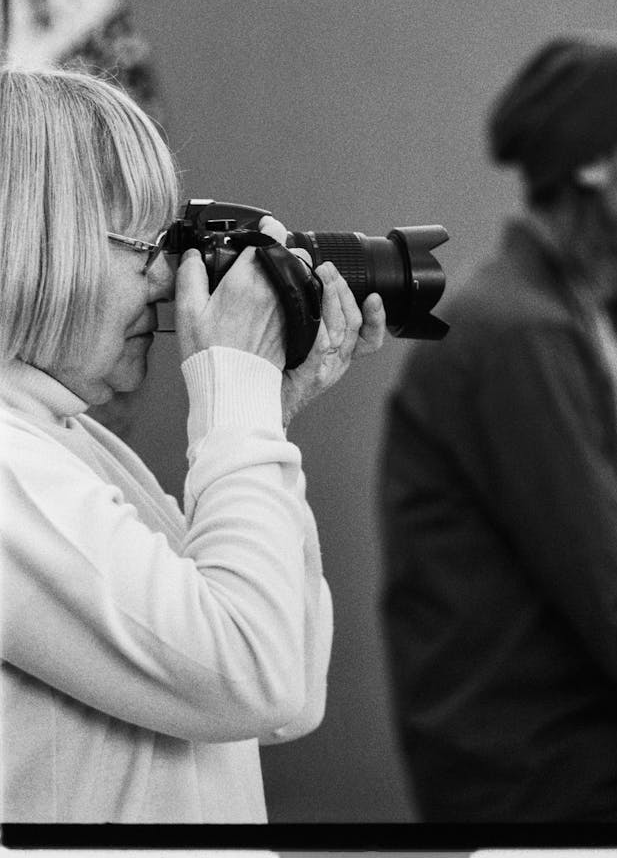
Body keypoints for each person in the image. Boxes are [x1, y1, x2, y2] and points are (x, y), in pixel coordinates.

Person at [0, 66, 386, 823]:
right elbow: (254, 670)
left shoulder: (68, 443)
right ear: (39, 246)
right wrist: (233, 394)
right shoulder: (12, 470)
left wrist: (262, 412)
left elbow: (289, 692)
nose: (170, 279)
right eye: (144, 243)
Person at [378, 33, 617, 828]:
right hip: (567, 792)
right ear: (592, 162)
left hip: (606, 766)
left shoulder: (560, 317)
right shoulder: (520, 334)